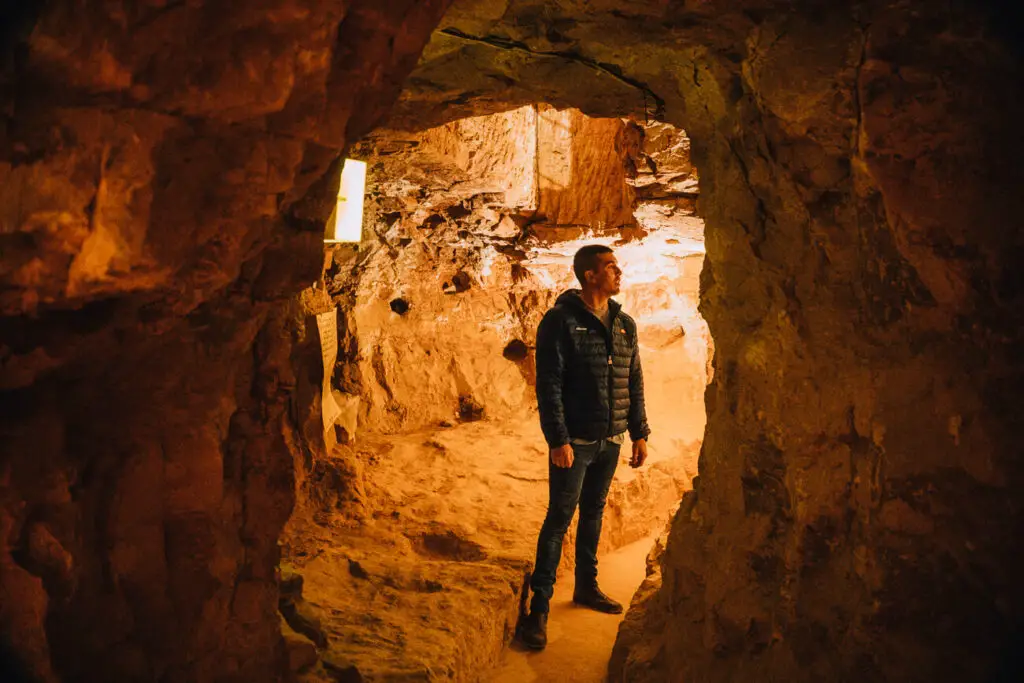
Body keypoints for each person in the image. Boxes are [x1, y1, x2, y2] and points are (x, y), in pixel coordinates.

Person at [518, 244, 650, 651]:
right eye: (611, 267)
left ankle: (586, 587)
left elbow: (634, 379)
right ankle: (539, 607)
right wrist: (557, 439)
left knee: (593, 512)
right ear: (589, 276)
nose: (619, 272)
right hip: (574, 441)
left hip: (611, 439)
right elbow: (550, 385)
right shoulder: (559, 321)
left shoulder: (624, 323)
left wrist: (639, 431)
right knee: (559, 517)